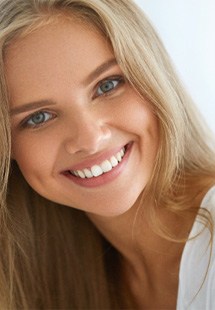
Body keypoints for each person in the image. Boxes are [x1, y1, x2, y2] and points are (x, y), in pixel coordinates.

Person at [0, 0, 214, 308]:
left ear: (153, 76)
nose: (89, 139)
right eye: (38, 117)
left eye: (108, 85)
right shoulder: (42, 279)